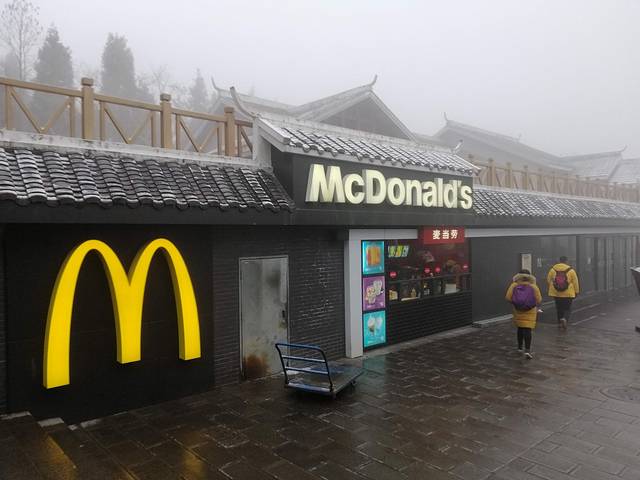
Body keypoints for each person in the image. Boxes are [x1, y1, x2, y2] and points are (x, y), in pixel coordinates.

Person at [505, 269, 542, 359]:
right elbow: (539, 299)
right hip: (530, 311)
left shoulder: (514, 285)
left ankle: (519, 347)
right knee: (528, 329)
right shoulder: (533, 286)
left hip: (518, 310)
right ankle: (527, 350)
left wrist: (516, 302)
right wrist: (531, 304)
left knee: (520, 328)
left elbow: (508, 297)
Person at [547, 256, 580, 331]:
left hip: (556, 293)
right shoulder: (571, 270)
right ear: (566, 261)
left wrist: (555, 287)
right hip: (568, 293)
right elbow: (575, 282)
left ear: (559, 260)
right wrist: (576, 292)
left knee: (559, 308)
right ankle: (564, 319)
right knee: (567, 308)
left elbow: (548, 280)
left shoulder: (553, 270)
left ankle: (559, 322)